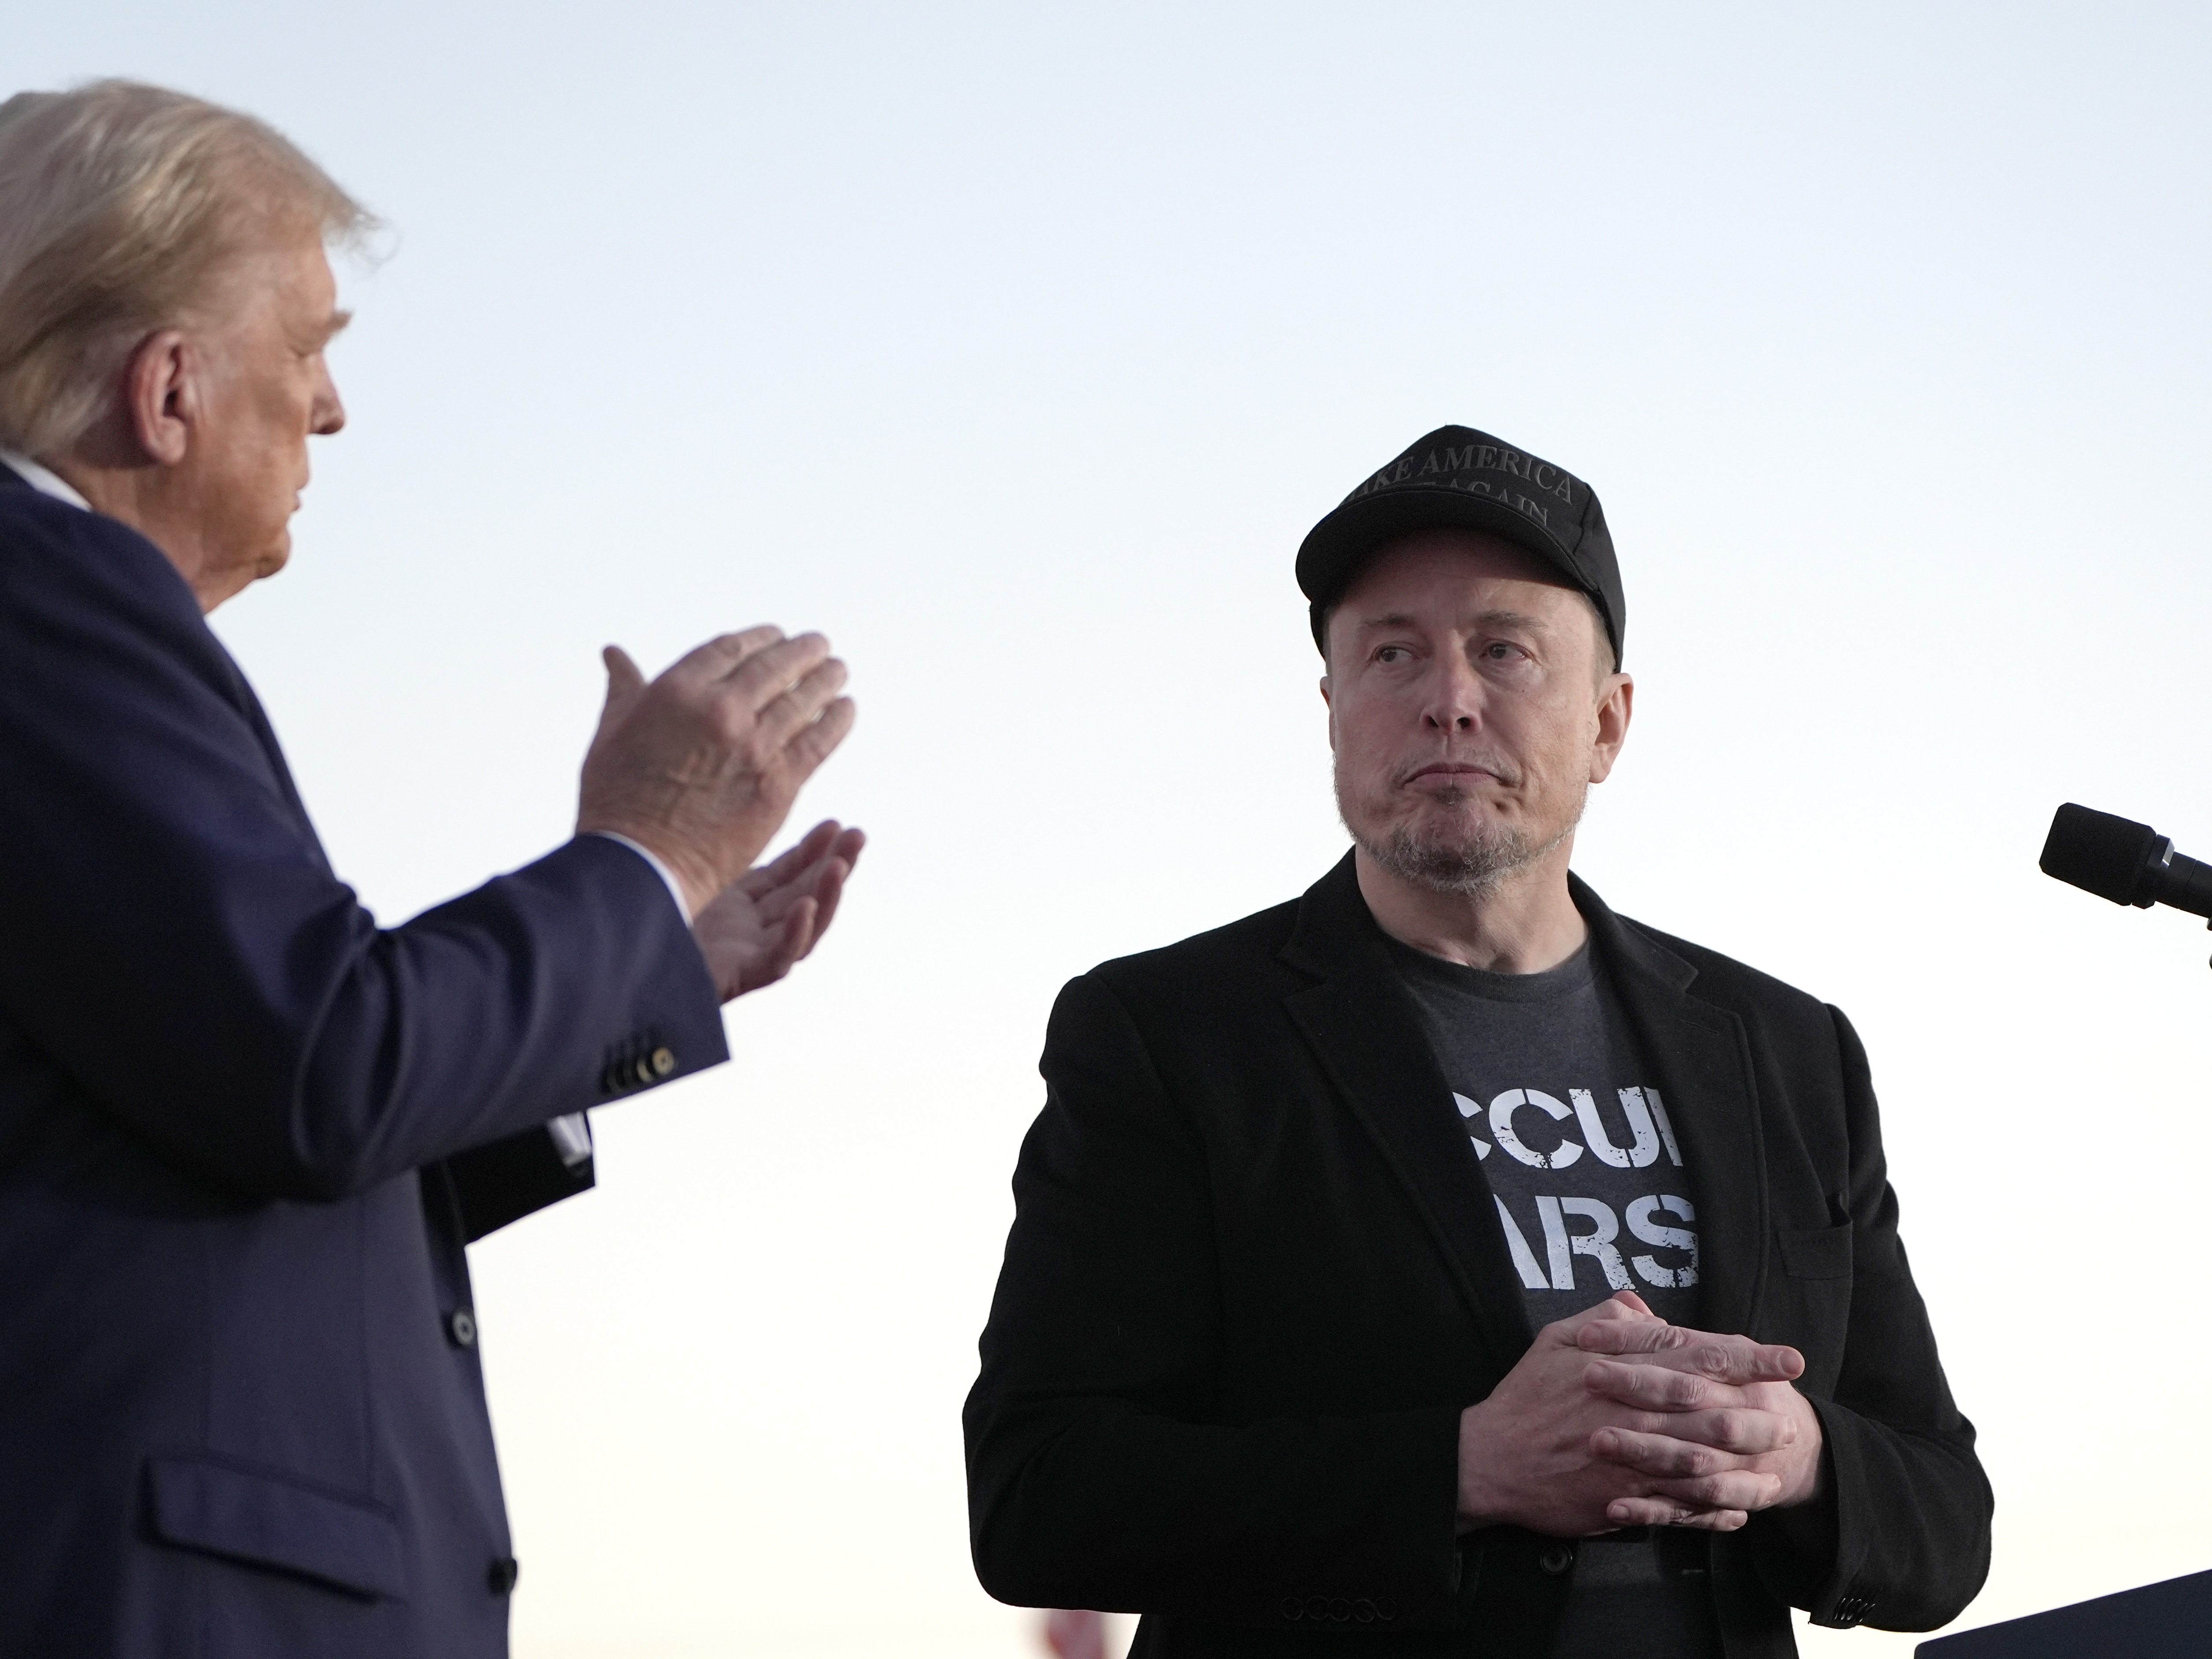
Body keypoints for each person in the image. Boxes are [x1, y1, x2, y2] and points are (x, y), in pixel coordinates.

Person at [0, 81, 862, 1656]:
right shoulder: (41, 591)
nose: (332, 410)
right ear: (168, 386)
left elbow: (217, 1102)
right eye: (312, 346)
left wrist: (657, 944)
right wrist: (645, 858)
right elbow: (318, 1066)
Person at [965, 425, 1991, 1658]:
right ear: (1335, 711)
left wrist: (1805, 1460)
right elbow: (1039, 1497)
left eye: (1505, 650)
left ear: (1609, 724)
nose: (1448, 698)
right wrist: (1463, 1470)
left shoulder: (1786, 1049)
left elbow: (1946, 1525)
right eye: (1393, 653)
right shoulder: (1171, 1036)